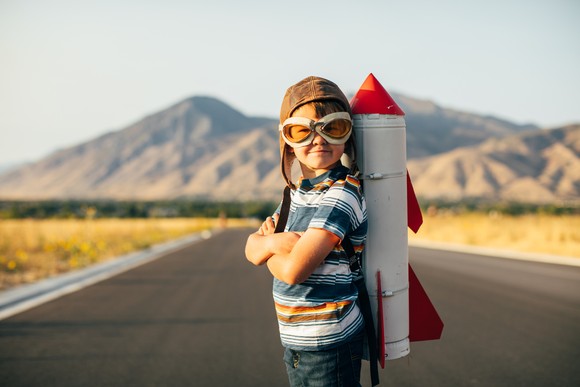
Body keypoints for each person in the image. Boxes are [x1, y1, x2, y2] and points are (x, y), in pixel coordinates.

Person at [245, 76, 368, 387]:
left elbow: (294, 271)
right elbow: (250, 248)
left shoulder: (343, 193)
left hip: (330, 342)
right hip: (297, 341)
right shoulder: (294, 195)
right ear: (287, 139)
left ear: (347, 134)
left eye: (333, 127)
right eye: (302, 130)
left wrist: (269, 247)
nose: (319, 138)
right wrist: (278, 242)